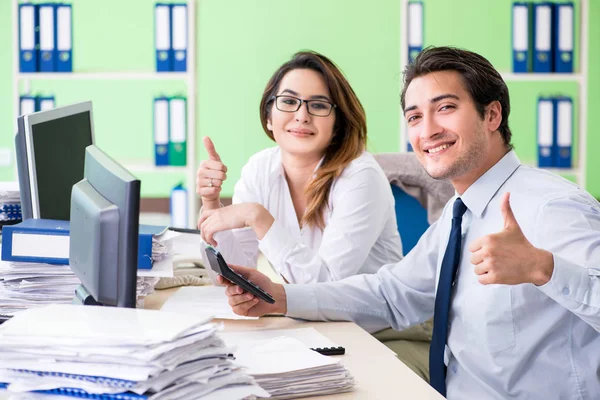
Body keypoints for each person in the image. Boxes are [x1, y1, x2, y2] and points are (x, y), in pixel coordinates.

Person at [219, 46, 600, 399]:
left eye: (446, 108)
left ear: (492, 115)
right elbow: (391, 296)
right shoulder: (459, 213)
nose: (427, 130)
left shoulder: (551, 206)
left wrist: (543, 268)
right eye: (415, 117)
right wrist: (278, 298)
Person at [196, 51, 404, 284]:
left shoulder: (362, 177)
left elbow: (325, 285)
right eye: (289, 101)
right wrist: (211, 204)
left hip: (369, 318)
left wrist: (258, 218)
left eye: (318, 105)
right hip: (309, 315)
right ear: (268, 117)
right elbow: (235, 275)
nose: (302, 115)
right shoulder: (260, 169)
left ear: (337, 124)